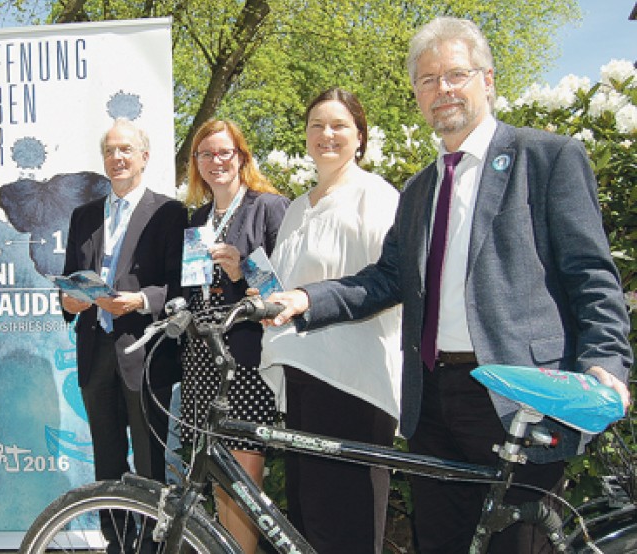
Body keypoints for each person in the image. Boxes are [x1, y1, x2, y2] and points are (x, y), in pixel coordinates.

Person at [267, 17, 633, 554]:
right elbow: (387, 279)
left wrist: (605, 362)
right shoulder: (419, 189)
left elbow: (591, 274)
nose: (442, 90)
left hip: (519, 394)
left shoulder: (547, 158)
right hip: (432, 401)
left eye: (454, 75)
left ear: (487, 79)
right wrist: (306, 298)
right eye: (426, 80)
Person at [259, 88, 402, 553]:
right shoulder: (298, 207)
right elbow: (287, 282)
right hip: (301, 377)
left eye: (339, 125)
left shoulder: (375, 195)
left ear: (359, 136)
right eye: (316, 125)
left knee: (348, 531)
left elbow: (388, 283)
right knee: (308, 523)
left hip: (353, 382)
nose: (326, 134)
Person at [60, 118, 187, 553]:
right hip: (95, 355)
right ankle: (118, 542)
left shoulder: (170, 213)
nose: (117, 158)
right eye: (110, 151)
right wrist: (70, 302)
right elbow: (69, 282)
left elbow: (179, 286)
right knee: (107, 461)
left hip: (145, 354)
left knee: (151, 464)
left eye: (126, 150)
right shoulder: (83, 216)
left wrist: (139, 301)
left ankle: (153, 546)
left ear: (144, 158)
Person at [179, 119, 289, 553]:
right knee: (218, 479)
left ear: (241, 156)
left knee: (243, 482)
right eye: (205, 154)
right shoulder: (198, 219)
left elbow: (284, 291)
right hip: (204, 360)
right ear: (196, 164)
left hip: (246, 359)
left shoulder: (269, 207)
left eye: (224, 152)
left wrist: (241, 272)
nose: (215, 161)